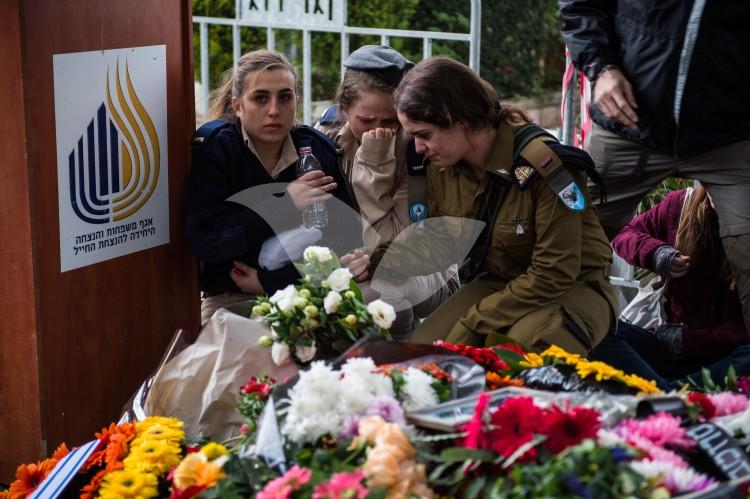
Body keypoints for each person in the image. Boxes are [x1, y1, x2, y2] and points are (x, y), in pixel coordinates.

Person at [378, 56, 618, 355]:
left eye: (424, 135)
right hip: (501, 282)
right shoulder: (444, 166)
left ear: (459, 119)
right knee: (421, 359)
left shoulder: (543, 166)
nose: (418, 148)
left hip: (571, 288)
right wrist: (377, 261)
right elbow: (442, 241)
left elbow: (554, 272)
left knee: (516, 355)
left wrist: (476, 320)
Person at [559, 1, 750, 334]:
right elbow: (579, 5)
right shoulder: (674, 210)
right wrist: (599, 66)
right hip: (629, 122)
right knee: (562, 240)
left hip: (730, 137)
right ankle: (535, 358)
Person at [185, 50, 365, 324]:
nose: (274, 110)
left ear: (296, 100)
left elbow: (344, 240)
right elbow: (207, 243)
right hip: (233, 297)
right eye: (260, 98)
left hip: (310, 292)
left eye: (284, 97)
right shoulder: (216, 150)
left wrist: (271, 281)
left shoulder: (315, 149)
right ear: (237, 105)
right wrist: (285, 205)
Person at [320, 45, 457, 339]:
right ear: (345, 110)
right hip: (363, 263)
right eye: (366, 121)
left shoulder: (417, 152)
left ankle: (408, 361)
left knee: (385, 292)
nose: (377, 131)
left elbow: (393, 243)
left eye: (390, 121)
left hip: (429, 270)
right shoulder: (328, 140)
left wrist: (375, 163)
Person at [591, 186, 750, 389]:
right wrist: (655, 253)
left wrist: (688, 340)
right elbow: (625, 232)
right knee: (598, 329)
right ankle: (672, 393)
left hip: (727, 360)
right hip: (669, 354)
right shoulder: (680, 205)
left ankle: (666, 393)